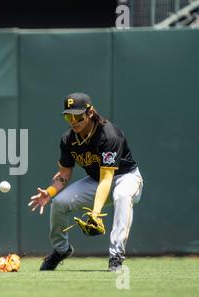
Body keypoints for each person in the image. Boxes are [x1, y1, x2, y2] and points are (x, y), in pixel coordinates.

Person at [28, 92, 143, 272]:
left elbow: (107, 179)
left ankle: (116, 255)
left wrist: (95, 214)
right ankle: (61, 250)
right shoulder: (68, 139)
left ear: (90, 113)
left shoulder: (109, 135)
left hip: (126, 178)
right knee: (59, 202)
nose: (73, 121)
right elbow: (64, 174)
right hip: (96, 180)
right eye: (68, 116)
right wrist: (49, 192)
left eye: (77, 116)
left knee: (122, 195)